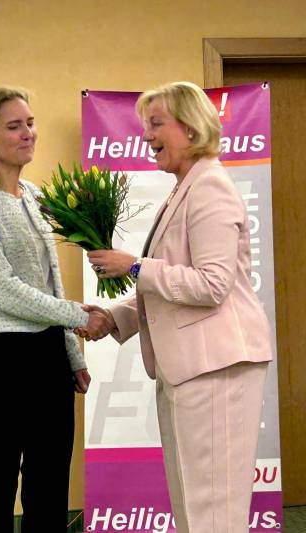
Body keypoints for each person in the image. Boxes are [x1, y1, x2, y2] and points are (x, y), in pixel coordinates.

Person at [80, 81, 272, 533]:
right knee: (193, 505)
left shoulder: (209, 188)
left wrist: (134, 266)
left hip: (217, 368)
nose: (147, 135)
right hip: (189, 371)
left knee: (213, 511)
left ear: (190, 127)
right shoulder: (184, 188)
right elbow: (172, 284)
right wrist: (116, 317)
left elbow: (212, 284)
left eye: (156, 124)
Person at [0, 86, 107, 532]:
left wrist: (71, 354)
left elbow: (48, 281)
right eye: (14, 126)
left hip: (48, 358)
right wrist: (79, 315)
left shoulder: (34, 195)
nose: (28, 134)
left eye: (30, 123)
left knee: (49, 490)